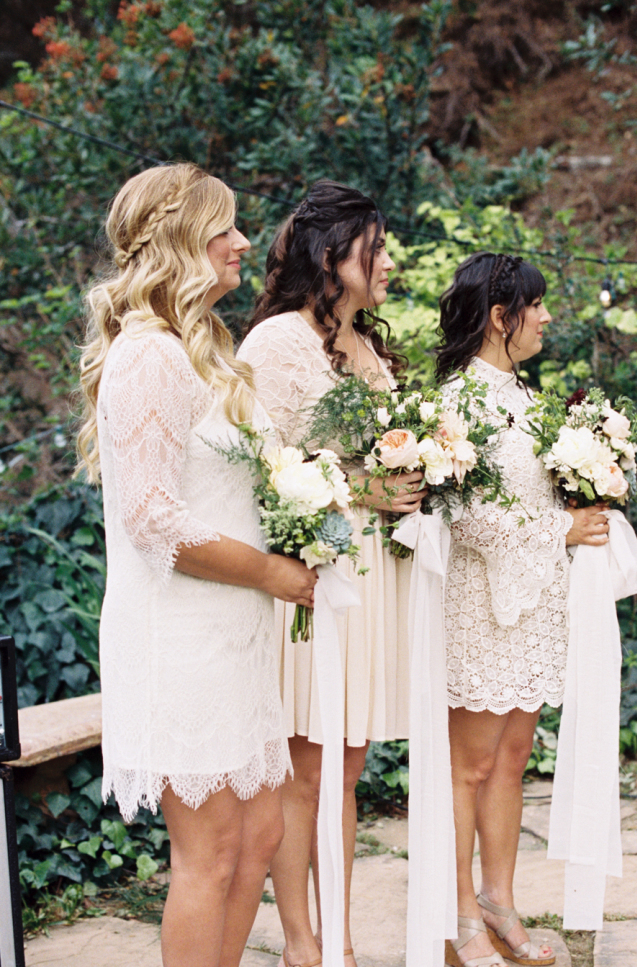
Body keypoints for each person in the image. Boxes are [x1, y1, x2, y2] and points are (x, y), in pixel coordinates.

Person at [76, 163, 317, 967]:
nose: (245, 242)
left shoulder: (203, 349)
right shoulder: (148, 357)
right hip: (178, 638)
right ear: (179, 240)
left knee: (261, 835)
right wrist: (271, 573)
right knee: (210, 851)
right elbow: (150, 517)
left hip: (233, 637)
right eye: (226, 228)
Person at [239, 181, 426, 967]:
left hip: (369, 581)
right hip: (312, 580)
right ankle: (304, 944)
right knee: (306, 772)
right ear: (329, 256)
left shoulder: (366, 347)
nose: (388, 262)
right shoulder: (276, 344)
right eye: (374, 247)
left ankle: (341, 933)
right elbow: (264, 471)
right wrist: (363, 489)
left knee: (344, 771)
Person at [436, 252, 610, 967]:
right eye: (533, 305)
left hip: (536, 606)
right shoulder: (456, 403)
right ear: (498, 317)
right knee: (468, 766)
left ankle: (500, 899)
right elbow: (467, 519)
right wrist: (561, 530)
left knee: (510, 761)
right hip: (479, 606)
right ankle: (456, 919)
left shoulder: (529, 399)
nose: (544, 316)